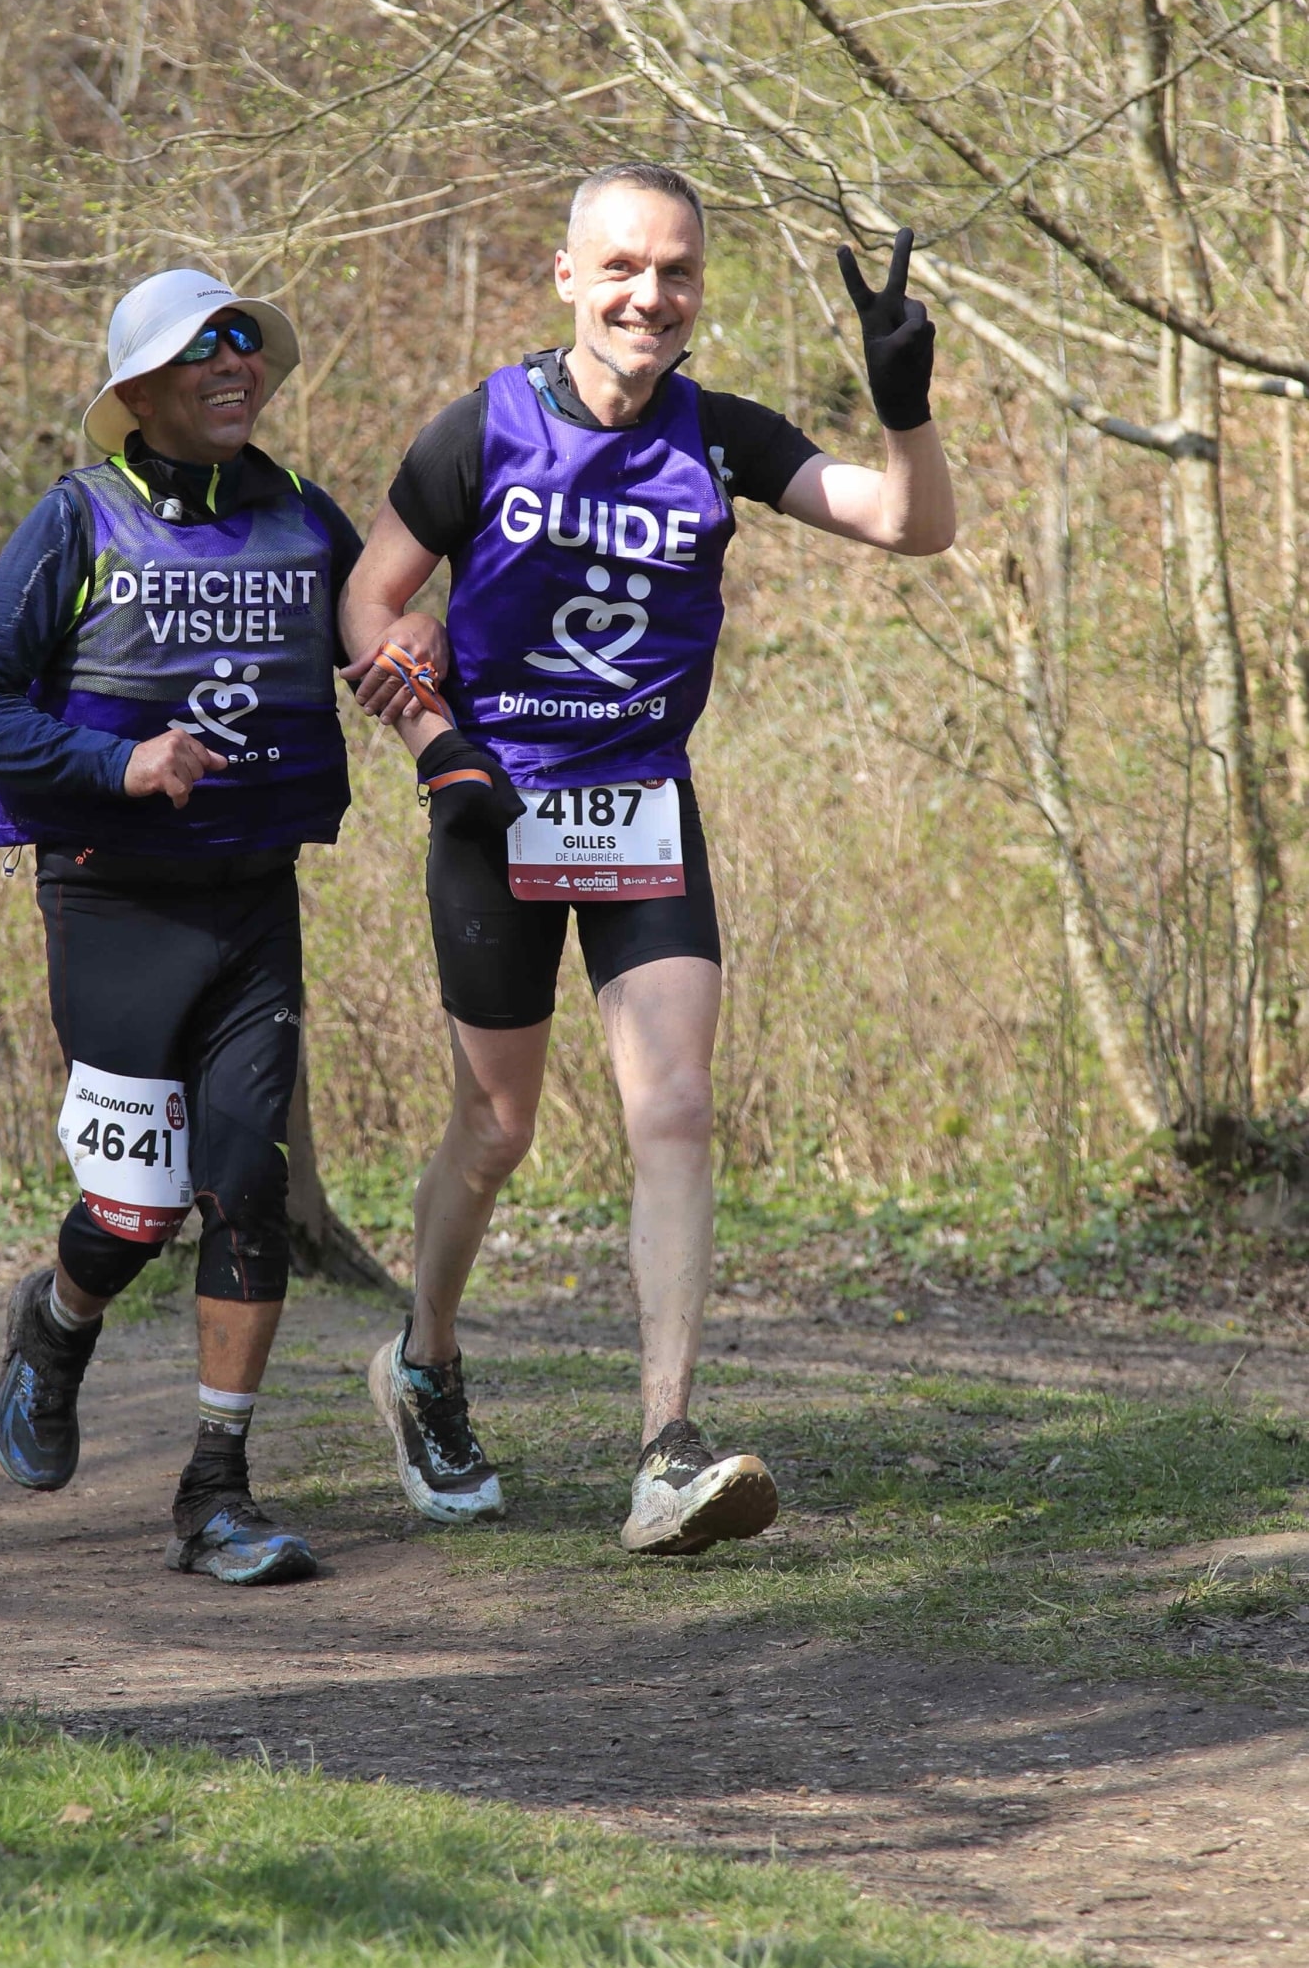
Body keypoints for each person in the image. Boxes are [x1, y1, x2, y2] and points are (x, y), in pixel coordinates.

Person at [340, 162, 956, 1557]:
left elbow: (912, 525)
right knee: (497, 1129)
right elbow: (370, 597)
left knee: (673, 1106)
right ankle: (422, 1362)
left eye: (676, 271)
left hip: (638, 807)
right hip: (496, 810)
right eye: (622, 267)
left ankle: (666, 1447)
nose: (649, 294)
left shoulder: (721, 436)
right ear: (567, 277)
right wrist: (434, 738)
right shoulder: (482, 429)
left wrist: (904, 403)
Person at [0, 264, 363, 1585]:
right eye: (202, 354)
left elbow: (382, 632)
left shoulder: (304, 519)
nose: (237, 369)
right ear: (141, 389)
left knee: (246, 1190)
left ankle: (216, 1494)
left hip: (252, 903)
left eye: (249, 349)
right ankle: (54, 1326)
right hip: (114, 901)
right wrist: (118, 766)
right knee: (134, 1211)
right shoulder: (76, 522)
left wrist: (431, 676)